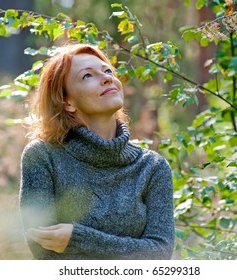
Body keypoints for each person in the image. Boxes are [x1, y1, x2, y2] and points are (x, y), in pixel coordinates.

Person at [19, 43, 174, 260]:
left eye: (107, 70)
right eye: (87, 76)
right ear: (67, 103)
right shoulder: (43, 156)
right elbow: (42, 248)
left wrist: (77, 240)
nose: (107, 78)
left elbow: (160, 253)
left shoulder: (153, 167)